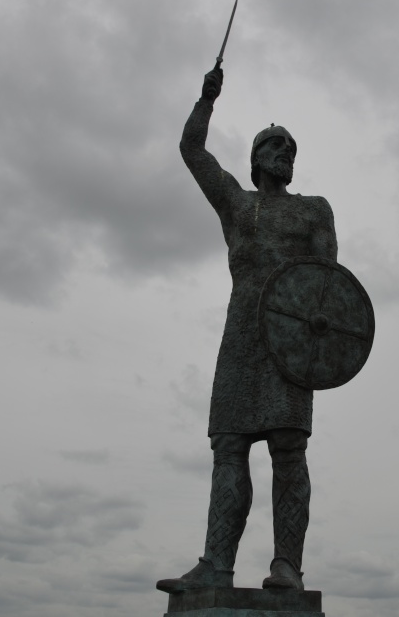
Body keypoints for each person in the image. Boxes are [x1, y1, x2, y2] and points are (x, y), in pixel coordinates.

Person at [157, 67, 337, 593]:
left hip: (292, 346)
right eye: (276, 145)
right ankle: (215, 563)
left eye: (291, 148)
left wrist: (317, 342)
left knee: (288, 450)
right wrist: (206, 99)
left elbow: (329, 285)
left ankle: (288, 567)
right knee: (229, 448)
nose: (286, 152)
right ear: (256, 158)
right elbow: (192, 150)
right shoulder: (237, 204)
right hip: (241, 341)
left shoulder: (314, 211)